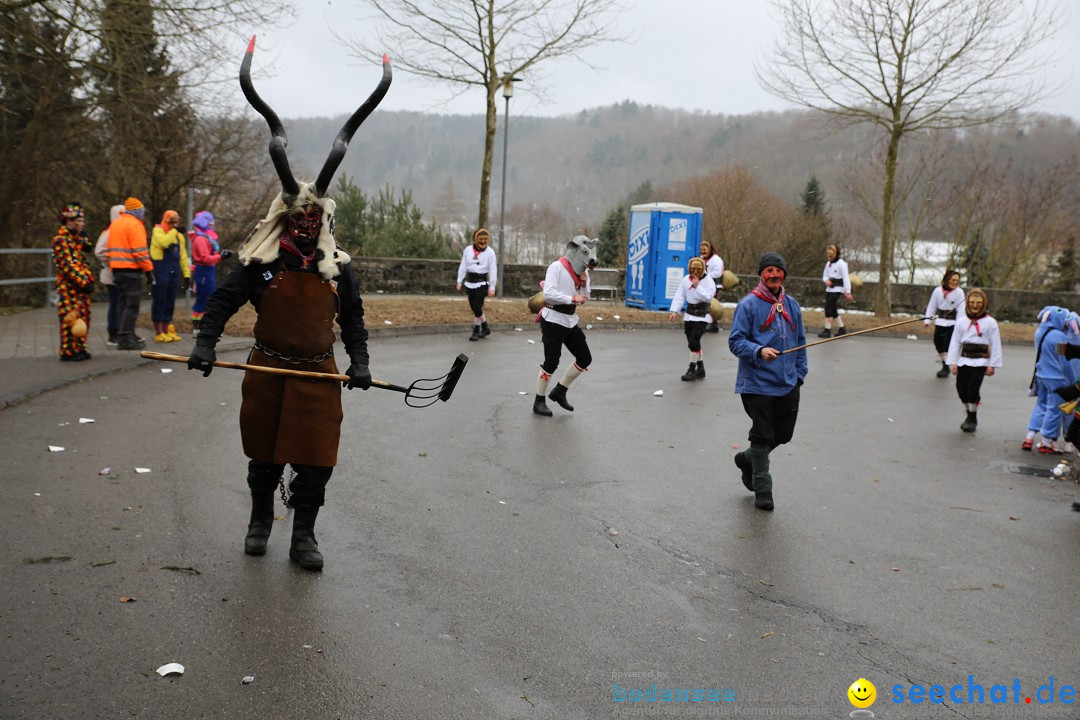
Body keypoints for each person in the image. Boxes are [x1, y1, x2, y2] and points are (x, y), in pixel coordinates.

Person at [186, 37, 387, 571]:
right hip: (268, 370)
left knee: (315, 462)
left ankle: (304, 537)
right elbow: (221, 303)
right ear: (283, 218)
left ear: (322, 219)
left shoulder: (337, 267)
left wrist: (361, 363)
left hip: (320, 375)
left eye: (312, 216)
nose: (304, 223)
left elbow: (356, 322)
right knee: (264, 458)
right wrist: (205, 345)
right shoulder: (260, 263)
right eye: (296, 216)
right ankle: (258, 521)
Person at [728, 252, 807, 511]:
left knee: (782, 435)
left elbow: (801, 342)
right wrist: (758, 351)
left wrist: (800, 374)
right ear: (761, 274)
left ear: (784, 274)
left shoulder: (792, 305)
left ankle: (746, 459)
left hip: (788, 383)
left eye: (778, 270)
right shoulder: (748, 305)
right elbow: (735, 341)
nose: (774, 275)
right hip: (756, 384)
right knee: (762, 435)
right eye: (768, 270)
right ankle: (763, 489)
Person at [532, 235, 599, 417]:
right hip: (553, 319)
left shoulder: (584, 273)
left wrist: (584, 287)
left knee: (585, 358)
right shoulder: (557, 267)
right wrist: (572, 298)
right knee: (551, 362)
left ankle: (560, 391)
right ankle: (539, 401)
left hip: (570, 320)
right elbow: (549, 294)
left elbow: (585, 297)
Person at [945, 288, 1002, 433]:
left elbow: (995, 344)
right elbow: (955, 343)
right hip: (964, 361)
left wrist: (992, 364)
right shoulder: (961, 322)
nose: (975, 305)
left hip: (980, 362)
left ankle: (972, 417)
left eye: (978, 303)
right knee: (961, 390)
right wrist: (953, 362)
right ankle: (968, 412)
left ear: (984, 304)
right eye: (972, 302)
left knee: (972, 389)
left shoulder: (990, 323)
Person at [106, 197, 154, 350]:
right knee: (132, 305)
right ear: (137, 211)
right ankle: (126, 337)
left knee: (122, 303)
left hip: (116, 270)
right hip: (131, 270)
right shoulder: (135, 225)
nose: (143, 215)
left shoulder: (116, 224)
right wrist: (149, 271)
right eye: (142, 212)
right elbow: (140, 252)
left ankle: (125, 334)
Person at [1022, 306, 1071, 452]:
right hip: (1056, 377)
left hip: (1041, 374)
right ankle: (1047, 441)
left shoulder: (1040, 332)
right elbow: (1065, 360)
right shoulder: (1059, 336)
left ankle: (1030, 436)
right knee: (1054, 409)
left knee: (1041, 405)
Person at [52, 202, 95, 361]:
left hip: (81, 287)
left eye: (82, 220)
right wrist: (84, 282)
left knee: (84, 316)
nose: (81, 223)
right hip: (69, 287)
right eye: (78, 220)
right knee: (71, 318)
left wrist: (83, 234)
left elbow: (89, 247)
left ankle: (80, 347)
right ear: (69, 221)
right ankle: (68, 350)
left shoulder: (76, 238)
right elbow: (67, 265)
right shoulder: (61, 240)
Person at [668, 256, 716, 381]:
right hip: (689, 315)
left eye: (698, 269)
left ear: (703, 269)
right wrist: (674, 311)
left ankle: (692, 369)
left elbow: (708, 297)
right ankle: (701, 368)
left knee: (694, 341)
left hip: (702, 316)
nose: (695, 271)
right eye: (692, 268)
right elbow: (680, 295)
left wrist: (697, 286)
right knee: (692, 342)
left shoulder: (708, 280)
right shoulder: (685, 279)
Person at [149, 210, 191, 343]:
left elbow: (183, 256)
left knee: (170, 299)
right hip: (161, 269)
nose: (175, 225)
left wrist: (187, 274)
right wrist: (174, 231)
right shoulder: (158, 231)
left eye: (177, 222)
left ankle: (167, 328)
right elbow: (163, 243)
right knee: (160, 299)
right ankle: (159, 331)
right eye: (172, 222)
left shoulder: (179, 237)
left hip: (173, 270)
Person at [188, 211, 231, 337]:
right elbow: (204, 258)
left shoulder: (205, 238)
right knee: (202, 301)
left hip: (208, 272)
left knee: (210, 299)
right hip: (204, 272)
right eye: (211, 222)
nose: (213, 225)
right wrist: (220, 257)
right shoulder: (200, 239)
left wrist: (219, 256)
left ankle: (207, 327)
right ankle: (197, 329)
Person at [455, 227, 497, 341]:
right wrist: (460, 281)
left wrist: (492, 287)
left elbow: (493, 270)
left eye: (485, 239)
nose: (483, 242)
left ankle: (476, 330)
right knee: (475, 308)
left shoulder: (490, 253)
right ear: (475, 239)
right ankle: (485, 326)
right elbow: (463, 266)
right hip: (469, 283)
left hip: (482, 283)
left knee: (478, 307)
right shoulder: (468, 250)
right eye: (480, 239)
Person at [923, 270, 965, 378]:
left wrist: (960, 325)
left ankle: (948, 366)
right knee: (938, 343)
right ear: (947, 279)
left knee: (948, 345)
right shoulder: (937, 291)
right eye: (953, 280)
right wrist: (927, 320)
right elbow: (932, 306)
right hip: (940, 322)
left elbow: (961, 309)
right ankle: (944, 363)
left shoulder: (959, 292)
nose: (955, 282)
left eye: (957, 281)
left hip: (953, 323)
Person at [94, 204, 126, 346]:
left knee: (120, 304)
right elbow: (99, 251)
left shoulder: (119, 231)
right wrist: (113, 260)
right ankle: (113, 334)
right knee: (115, 304)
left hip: (119, 273)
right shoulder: (109, 232)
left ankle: (119, 331)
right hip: (111, 274)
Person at [818, 243, 852, 338]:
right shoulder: (828, 264)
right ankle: (842, 328)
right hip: (829, 289)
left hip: (838, 289)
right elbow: (825, 276)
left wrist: (847, 291)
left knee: (828, 308)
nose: (830, 257)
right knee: (833, 310)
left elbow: (846, 278)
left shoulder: (842, 264)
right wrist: (827, 281)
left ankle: (827, 330)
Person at [700, 240, 725, 333]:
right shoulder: (701, 259)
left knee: (709, 305)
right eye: (701, 249)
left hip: (714, 285)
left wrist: (706, 276)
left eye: (704, 249)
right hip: (703, 285)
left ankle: (709, 324)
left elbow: (718, 273)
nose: (702, 252)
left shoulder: (716, 260)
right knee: (705, 304)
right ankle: (711, 324)